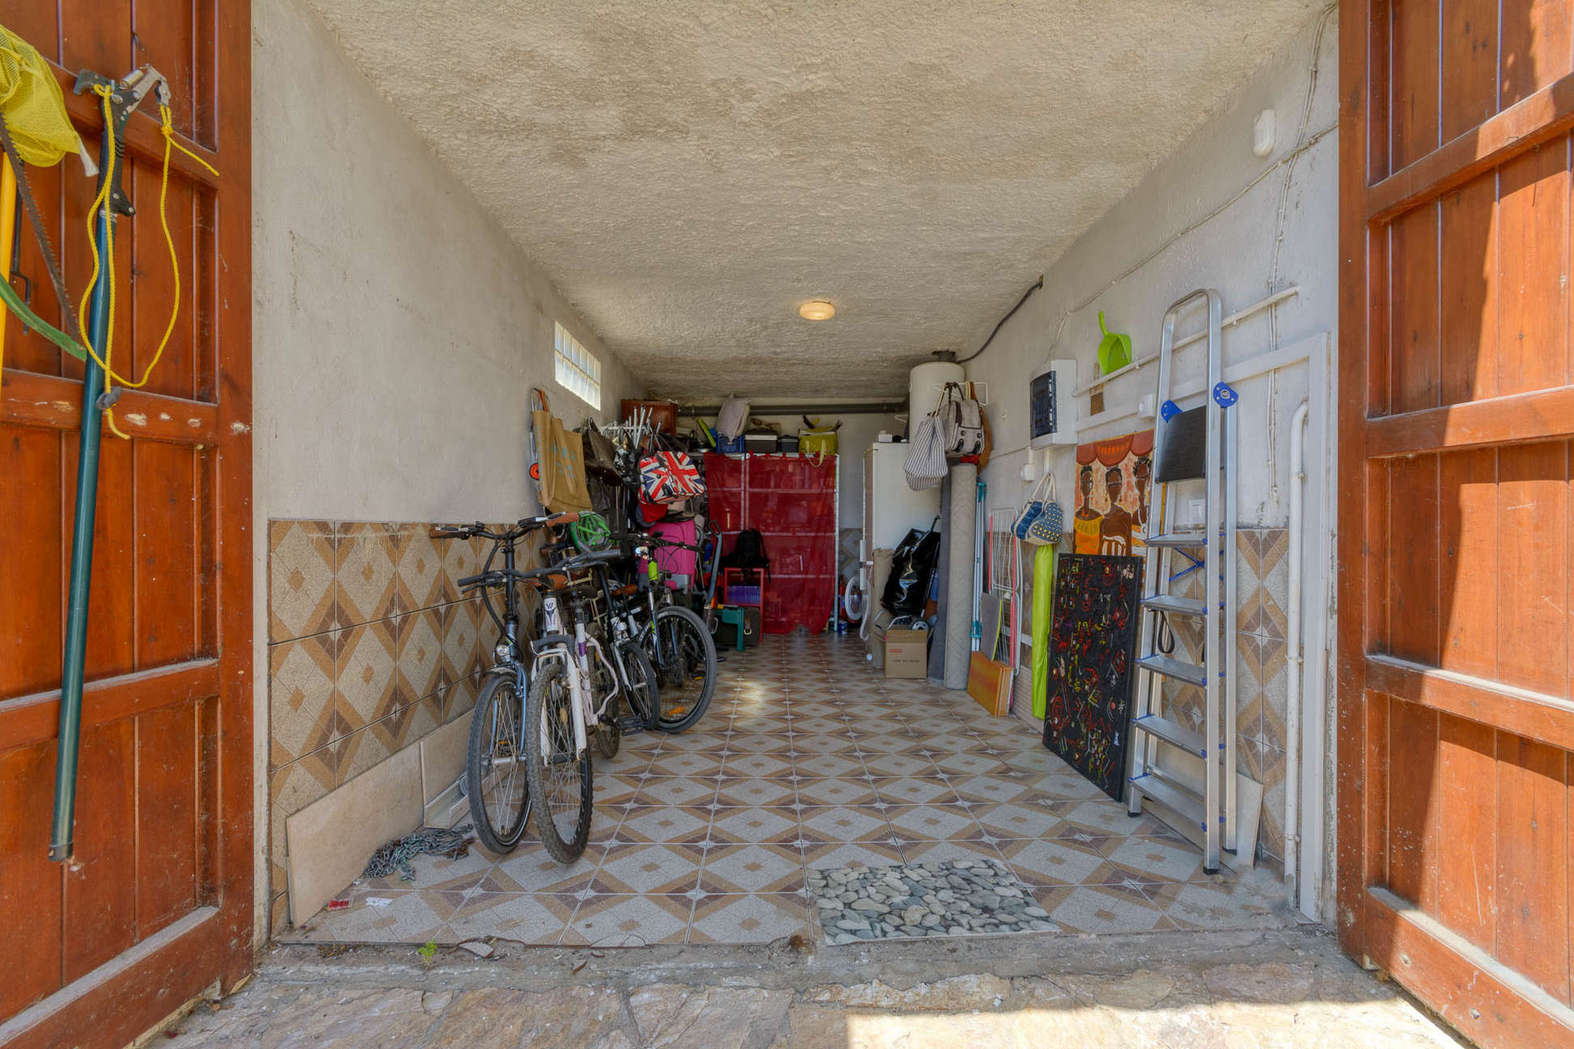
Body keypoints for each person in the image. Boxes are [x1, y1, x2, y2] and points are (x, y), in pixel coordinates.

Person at [1099, 465, 1134, 555]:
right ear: (1107, 488)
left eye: (1117, 484)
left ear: (1121, 486)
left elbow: (1129, 550)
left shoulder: (1126, 517)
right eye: (1111, 485)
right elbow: (1099, 552)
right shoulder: (1103, 521)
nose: (1115, 488)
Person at [1073, 464, 1101, 554]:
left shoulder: (1098, 518)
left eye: (1089, 481)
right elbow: (1073, 546)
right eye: (1083, 482)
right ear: (1080, 485)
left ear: (1092, 484)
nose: (1086, 485)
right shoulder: (1076, 517)